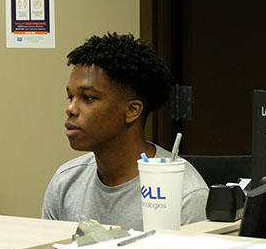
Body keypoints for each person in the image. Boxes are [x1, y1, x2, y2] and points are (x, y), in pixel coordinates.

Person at [42, 32, 208, 230]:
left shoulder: (185, 194)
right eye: (71, 98)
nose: (71, 109)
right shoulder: (65, 181)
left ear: (132, 110)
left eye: (88, 98)